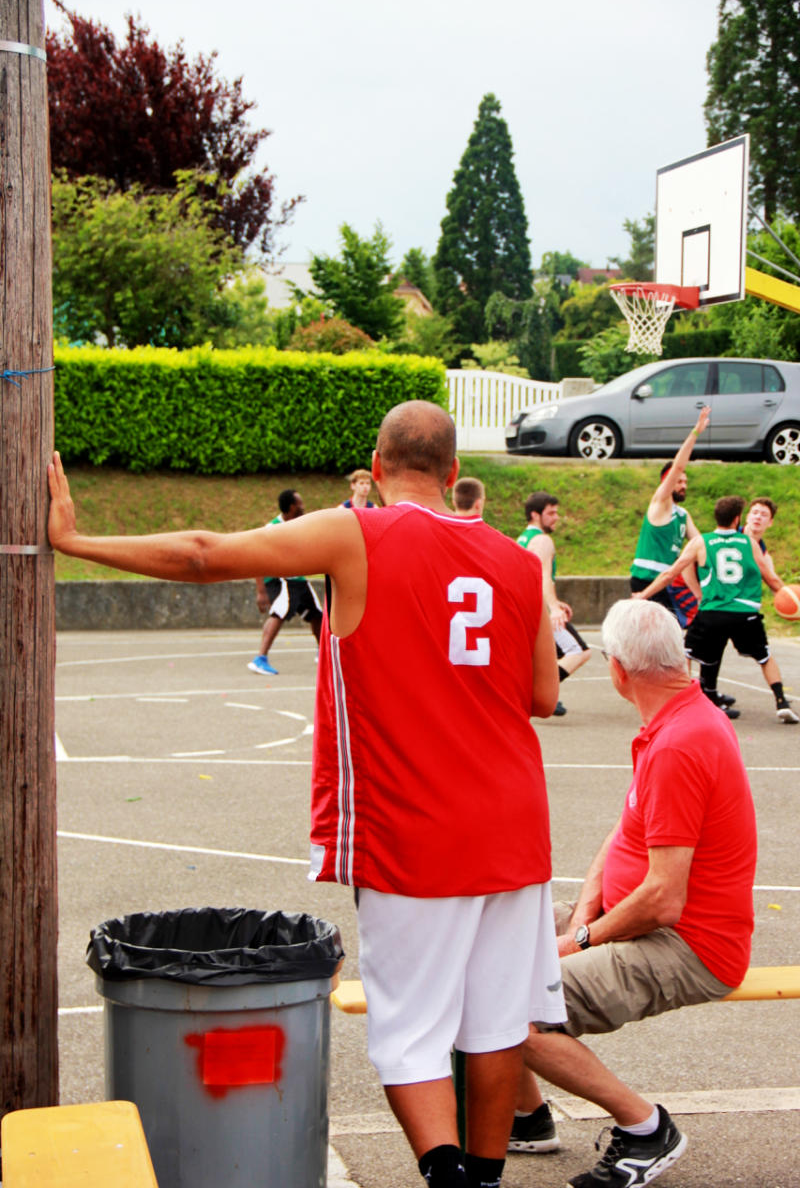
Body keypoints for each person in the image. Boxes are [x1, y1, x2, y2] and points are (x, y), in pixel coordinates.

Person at [48, 400, 565, 1188]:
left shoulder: (358, 533)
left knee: (410, 1032)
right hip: (516, 823)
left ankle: (449, 1177)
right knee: (495, 1025)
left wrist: (76, 540)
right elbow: (541, 695)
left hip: (417, 827)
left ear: (377, 468)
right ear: (455, 472)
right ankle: (486, 1178)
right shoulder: (519, 562)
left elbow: (204, 554)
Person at [510, 598, 756, 1188]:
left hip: (688, 944)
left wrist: (580, 941)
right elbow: (623, 832)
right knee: (487, 947)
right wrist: (584, 914)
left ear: (618, 670)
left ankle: (645, 1128)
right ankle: (528, 1116)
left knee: (510, 1010)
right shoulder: (677, 718)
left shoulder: (679, 743)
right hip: (640, 919)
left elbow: (664, 899)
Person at [634, 496, 798, 723]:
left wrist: (642, 595)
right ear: (738, 519)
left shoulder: (701, 542)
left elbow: (670, 574)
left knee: (687, 654)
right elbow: (771, 578)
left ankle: (680, 701)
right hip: (745, 613)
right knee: (764, 657)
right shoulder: (749, 543)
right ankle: (781, 702)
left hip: (713, 611)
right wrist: (791, 598)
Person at [629, 406, 711, 616]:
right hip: (646, 580)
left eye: (685, 482)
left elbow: (699, 545)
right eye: (679, 481)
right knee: (664, 629)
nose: (683, 485)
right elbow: (678, 466)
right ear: (667, 482)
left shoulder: (683, 515)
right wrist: (695, 433)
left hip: (665, 582)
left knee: (671, 628)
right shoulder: (660, 503)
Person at [517, 491, 591, 716]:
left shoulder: (523, 539)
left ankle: (535, 692)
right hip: (538, 608)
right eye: (551, 513)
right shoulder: (543, 540)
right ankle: (538, 693)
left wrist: (556, 601)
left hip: (526, 606)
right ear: (535, 515)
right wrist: (554, 607)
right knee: (578, 652)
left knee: (543, 656)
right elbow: (542, 576)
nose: (556, 517)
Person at [248, 488, 323, 675]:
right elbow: (256, 558)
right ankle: (260, 658)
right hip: (279, 579)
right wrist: (261, 591)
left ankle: (324, 654)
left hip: (297, 579)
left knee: (317, 614)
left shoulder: (300, 525)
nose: (303, 507)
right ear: (291, 507)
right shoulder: (272, 529)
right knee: (280, 613)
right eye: (300, 503)